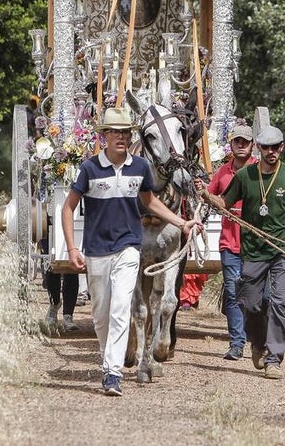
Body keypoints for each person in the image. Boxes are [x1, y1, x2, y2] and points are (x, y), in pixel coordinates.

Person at [61, 105, 201, 397]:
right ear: (105, 136)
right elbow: (68, 206)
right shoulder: (89, 169)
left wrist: (181, 222)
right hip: (97, 251)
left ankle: (113, 373)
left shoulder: (139, 167)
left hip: (128, 248)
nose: (121, 137)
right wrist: (72, 247)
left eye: (125, 132)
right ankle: (108, 355)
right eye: (115, 132)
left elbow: (150, 202)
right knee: (101, 315)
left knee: (123, 308)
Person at [200, 125, 285, 380]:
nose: (272, 152)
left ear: (282, 147)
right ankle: (258, 342)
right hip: (252, 252)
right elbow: (225, 205)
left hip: (282, 249)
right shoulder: (244, 176)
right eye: (267, 147)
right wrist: (207, 195)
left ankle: (274, 358)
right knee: (249, 303)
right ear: (259, 149)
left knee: (279, 302)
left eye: (276, 147)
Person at [205, 123, 257, 359]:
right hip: (229, 242)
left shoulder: (261, 170)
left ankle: (256, 337)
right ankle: (237, 343)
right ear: (231, 145)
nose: (241, 146)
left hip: (256, 243)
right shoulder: (223, 172)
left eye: (246, 142)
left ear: (252, 145)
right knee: (234, 292)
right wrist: (203, 192)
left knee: (256, 295)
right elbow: (210, 195)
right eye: (237, 141)